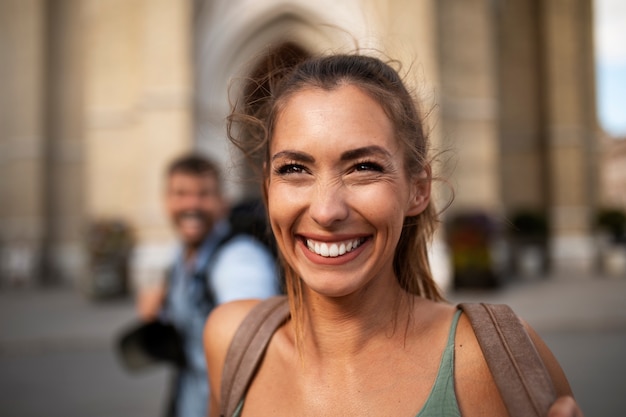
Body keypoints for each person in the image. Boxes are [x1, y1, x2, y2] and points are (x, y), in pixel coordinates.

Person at [203, 53, 584, 416]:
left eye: (363, 167)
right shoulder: (231, 341)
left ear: (418, 190)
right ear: (268, 188)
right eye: (294, 169)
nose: (326, 210)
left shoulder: (491, 359)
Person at [136, 153, 281, 417]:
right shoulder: (183, 255)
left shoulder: (238, 260)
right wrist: (158, 312)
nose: (192, 204)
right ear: (166, 201)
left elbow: (253, 346)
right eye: (181, 193)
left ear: (222, 202)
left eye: (203, 194)